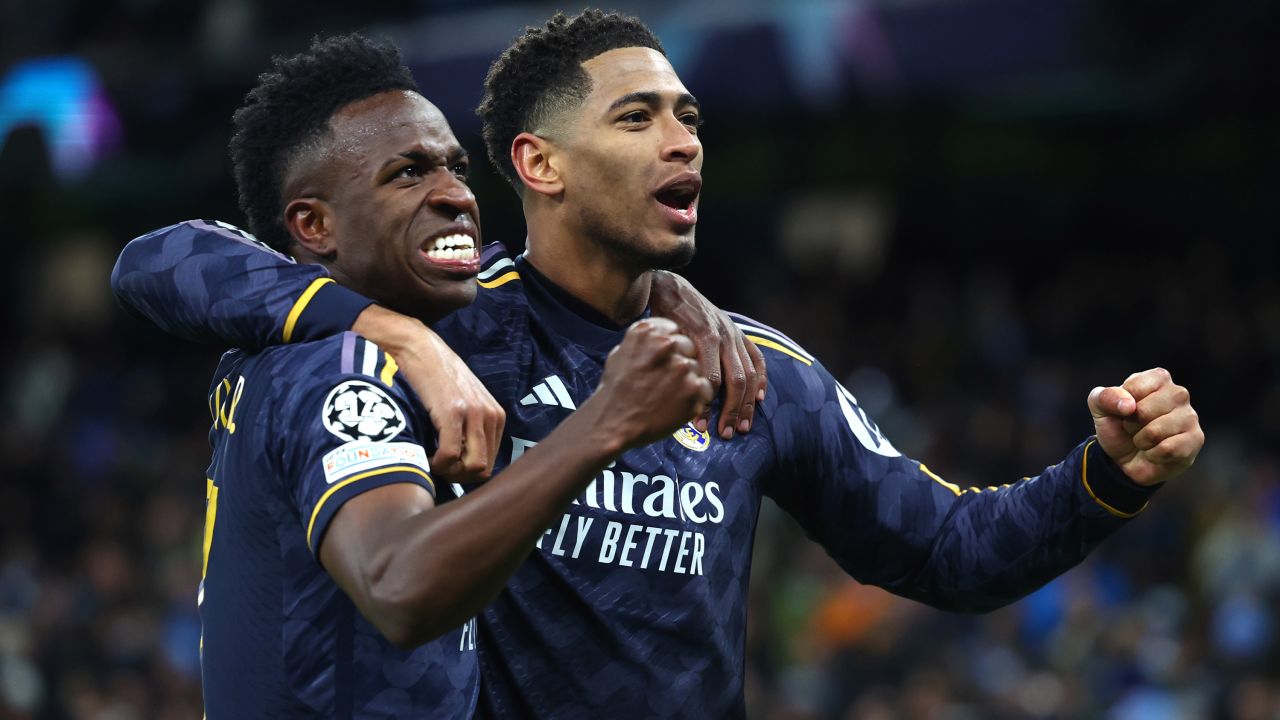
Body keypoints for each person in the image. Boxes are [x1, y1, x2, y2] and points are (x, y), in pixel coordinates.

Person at [112, 10, 1204, 719]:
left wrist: (1103, 479)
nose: (682, 139)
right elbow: (169, 259)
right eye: (637, 117)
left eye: (688, 115)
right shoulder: (446, 327)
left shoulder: (750, 366)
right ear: (537, 164)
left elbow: (949, 551)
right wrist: (392, 333)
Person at [133, 34, 725, 717]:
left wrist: (665, 289)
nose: (453, 195)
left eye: (457, 168)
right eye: (408, 173)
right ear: (314, 224)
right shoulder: (340, 367)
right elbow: (398, 586)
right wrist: (605, 424)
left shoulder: (316, 341)